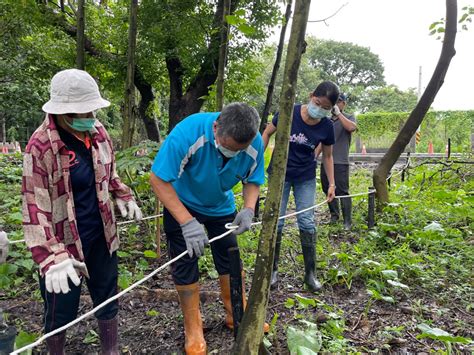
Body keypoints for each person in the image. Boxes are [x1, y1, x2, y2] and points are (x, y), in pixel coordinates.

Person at [22, 69, 142, 355]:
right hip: (63, 244)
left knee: (107, 297)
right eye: (80, 111)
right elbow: (34, 206)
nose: (89, 115)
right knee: (60, 308)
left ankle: (110, 350)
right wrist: (50, 256)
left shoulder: (97, 132)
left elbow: (108, 172)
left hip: (101, 233)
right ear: (62, 112)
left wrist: (122, 193)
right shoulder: (40, 146)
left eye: (91, 109)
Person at [150, 103, 268, 355]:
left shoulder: (254, 141)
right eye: (227, 147)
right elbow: (158, 179)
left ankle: (236, 311)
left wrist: (248, 208)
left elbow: (253, 179)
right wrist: (186, 221)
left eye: (238, 150)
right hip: (181, 203)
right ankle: (193, 327)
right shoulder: (188, 132)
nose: (231, 154)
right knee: (185, 261)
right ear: (216, 128)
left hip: (220, 204)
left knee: (229, 256)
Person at [262, 81, 338, 292]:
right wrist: (258, 159)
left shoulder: (326, 126)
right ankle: (273, 271)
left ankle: (310, 274)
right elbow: (267, 133)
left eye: (326, 108)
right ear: (311, 95)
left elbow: (328, 156)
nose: (320, 110)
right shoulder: (289, 113)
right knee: (277, 221)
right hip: (280, 175)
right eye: (317, 103)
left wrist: (332, 184)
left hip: (305, 176)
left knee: (306, 221)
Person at [316, 93, 357, 230]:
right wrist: (314, 156)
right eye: (334, 102)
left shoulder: (348, 118)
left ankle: (347, 221)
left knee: (342, 191)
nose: (336, 104)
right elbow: (322, 142)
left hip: (340, 161)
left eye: (339, 102)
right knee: (326, 187)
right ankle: (334, 215)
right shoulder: (326, 120)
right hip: (326, 162)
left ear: (343, 104)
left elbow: (351, 128)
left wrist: (339, 114)